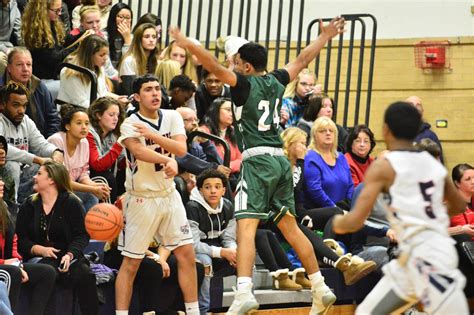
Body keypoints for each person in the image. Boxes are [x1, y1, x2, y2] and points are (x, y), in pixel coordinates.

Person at [170, 16, 345, 315]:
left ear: (247, 66)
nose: (234, 65)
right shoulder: (276, 79)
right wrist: (326, 36)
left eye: (237, 62)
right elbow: (303, 58)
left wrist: (188, 44)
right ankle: (320, 286)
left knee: (246, 229)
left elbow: (213, 65)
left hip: (257, 161)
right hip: (280, 160)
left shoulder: (243, 84)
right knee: (290, 227)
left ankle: (243, 292)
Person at [332, 101, 469, 314]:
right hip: (440, 256)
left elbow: (353, 221)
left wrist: (337, 219)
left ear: (386, 130)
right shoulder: (434, 168)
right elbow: (459, 205)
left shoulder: (384, 167)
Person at [115, 74, 199, 315]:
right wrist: (166, 159)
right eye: (148, 90)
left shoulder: (172, 116)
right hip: (142, 198)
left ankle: (193, 312)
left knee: (187, 254)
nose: (155, 94)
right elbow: (139, 152)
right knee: (131, 262)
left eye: (157, 89)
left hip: (169, 196)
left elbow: (181, 148)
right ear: (137, 96)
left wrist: (153, 135)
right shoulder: (130, 123)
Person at [16, 161, 100, 315]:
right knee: (48, 273)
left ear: (52, 180)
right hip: (41, 258)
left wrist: (70, 254)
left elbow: (81, 235)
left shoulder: (72, 203)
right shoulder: (29, 205)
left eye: (39, 174)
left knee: (85, 274)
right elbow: (20, 239)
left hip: (69, 256)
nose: (34, 177)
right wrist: (38, 249)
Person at [0, 81, 64, 203]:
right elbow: (5, 149)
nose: (21, 110)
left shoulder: (26, 120)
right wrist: (37, 159)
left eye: (24, 106)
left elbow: (40, 144)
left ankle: (43, 209)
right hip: (5, 175)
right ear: (3, 105)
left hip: (24, 174)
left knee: (48, 167)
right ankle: (13, 209)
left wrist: (55, 152)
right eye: (16, 105)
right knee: (12, 165)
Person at [186, 169, 237, 314]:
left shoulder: (227, 205)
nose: (213, 191)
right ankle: (203, 310)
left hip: (219, 247)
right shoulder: (192, 207)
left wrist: (233, 251)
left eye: (217, 187)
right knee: (205, 262)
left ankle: (244, 305)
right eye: (208, 187)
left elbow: (229, 238)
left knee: (244, 260)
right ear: (200, 190)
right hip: (197, 250)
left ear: (224, 190)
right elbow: (193, 244)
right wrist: (222, 252)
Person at [21, 0, 91, 99]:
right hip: (43, 80)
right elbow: (55, 59)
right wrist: (79, 44)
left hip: (55, 74)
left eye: (60, 9)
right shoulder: (37, 32)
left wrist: (84, 34)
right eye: (56, 10)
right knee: (80, 87)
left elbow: (64, 41)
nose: (60, 13)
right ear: (43, 10)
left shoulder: (52, 22)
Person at [48, 105, 110, 211]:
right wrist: (92, 189)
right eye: (79, 123)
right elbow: (62, 181)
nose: (84, 127)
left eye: (87, 123)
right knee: (90, 194)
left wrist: (96, 186)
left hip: (68, 190)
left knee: (98, 189)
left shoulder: (84, 142)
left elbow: (83, 175)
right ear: (67, 126)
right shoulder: (56, 141)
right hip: (51, 190)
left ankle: (92, 226)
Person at [1, 47, 60, 138]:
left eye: (28, 64)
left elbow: (53, 119)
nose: (25, 69)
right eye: (19, 64)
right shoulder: (1, 89)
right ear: (9, 68)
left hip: (39, 142)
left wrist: (47, 142)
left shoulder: (39, 87)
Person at [58, 34, 126, 108]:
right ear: (89, 55)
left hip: (94, 109)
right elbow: (81, 103)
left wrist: (118, 99)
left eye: (107, 54)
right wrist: (113, 104)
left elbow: (102, 94)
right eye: (101, 55)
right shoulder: (71, 73)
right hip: (75, 113)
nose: (106, 58)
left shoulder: (99, 68)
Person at [304, 116, 354, 210]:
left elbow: (350, 186)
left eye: (331, 131)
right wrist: (335, 209)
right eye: (322, 131)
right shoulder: (310, 157)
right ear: (314, 135)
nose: (328, 133)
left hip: (344, 210)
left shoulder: (341, 157)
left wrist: (349, 206)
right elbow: (314, 190)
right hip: (320, 212)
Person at [87, 96, 125, 203]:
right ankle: (109, 214)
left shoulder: (112, 134)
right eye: (111, 115)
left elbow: (122, 162)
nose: (116, 119)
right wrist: (119, 145)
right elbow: (97, 165)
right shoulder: (89, 133)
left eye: (117, 115)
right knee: (106, 178)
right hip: (86, 177)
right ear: (98, 115)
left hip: (106, 174)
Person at [202, 97, 242, 190]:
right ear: (215, 111)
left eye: (233, 110)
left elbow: (241, 159)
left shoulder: (234, 132)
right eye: (228, 110)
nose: (232, 114)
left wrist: (228, 167)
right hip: (211, 178)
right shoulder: (204, 132)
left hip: (231, 176)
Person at [119, 23, 160, 95]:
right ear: (139, 40)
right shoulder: (129, 61)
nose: (151, 40)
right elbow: (129, 91)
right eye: (147, 37)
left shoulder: (155, 61)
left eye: (154, 37)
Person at [406, 95, 444, 163]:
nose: (415, 107)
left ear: (422, 111)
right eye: (410, 104)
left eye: (418, 105)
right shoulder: (397, 135)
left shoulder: (430, 136)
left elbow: (439, 165)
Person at [449, 163, 474, 240]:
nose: (473, 182)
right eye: (468, 179)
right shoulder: (449, 204)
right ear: (457, 183)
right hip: (462, 245)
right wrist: (461, 230)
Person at [106, 2, 132, 68]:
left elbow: (129, 65)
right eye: (120, 17)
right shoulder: (104, 35)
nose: (124, 21)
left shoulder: (132, 37)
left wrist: (127, 40)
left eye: (128, 18)